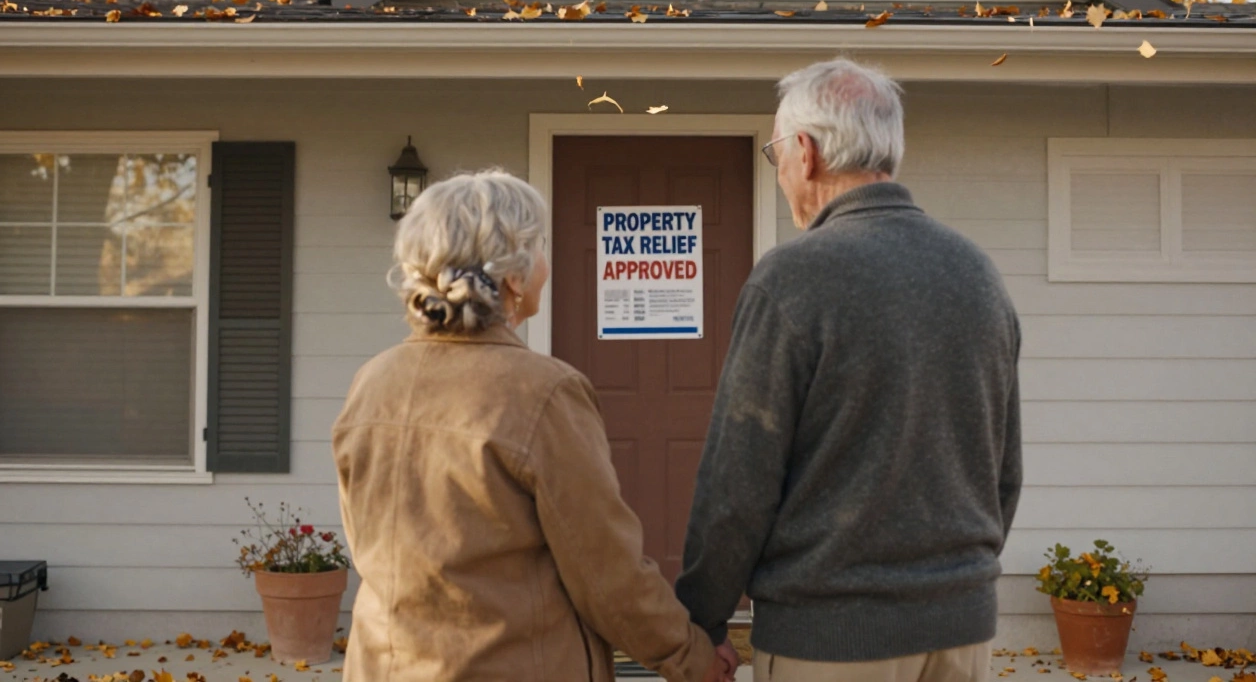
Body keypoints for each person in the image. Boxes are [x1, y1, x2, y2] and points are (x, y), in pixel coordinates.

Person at [675, 59, 1023, 682]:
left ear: (804, 153)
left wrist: (699, 623)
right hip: (962, 633)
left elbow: (738, 483)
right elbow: (1004, 472)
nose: (779, 169)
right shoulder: (978, 275)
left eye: (774, 152)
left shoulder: (792, 279)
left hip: (831, 639)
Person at [333, 170, 735, 682]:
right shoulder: (542, 392)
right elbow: (607, 574)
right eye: (541, 247)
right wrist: (691, 657)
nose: (548, 262)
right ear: (514, 277)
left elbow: (369, 544)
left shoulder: (371, 382)